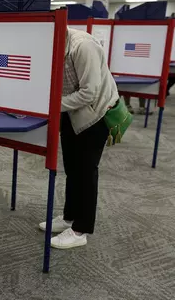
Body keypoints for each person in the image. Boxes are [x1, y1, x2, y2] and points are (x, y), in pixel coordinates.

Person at [39, 28, 119, 249]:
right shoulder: (52, 43)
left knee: (85, 170)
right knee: (72, 168)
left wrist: (50, 106)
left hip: (96, 114)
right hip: (70, 111)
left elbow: (89, 92)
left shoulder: (83, 46)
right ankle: (69, 216)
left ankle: (80, 229)